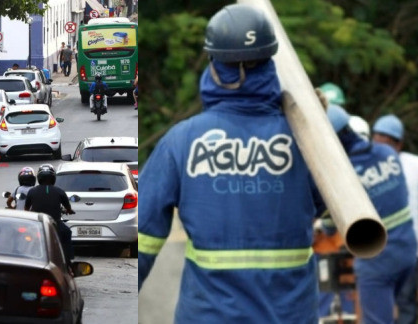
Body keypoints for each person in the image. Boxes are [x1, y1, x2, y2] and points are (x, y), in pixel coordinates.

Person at [138, 5, 326, 322]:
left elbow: (141, 234)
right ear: (271, 63)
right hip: (290, 315)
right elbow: (318, 204)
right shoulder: (306, 139)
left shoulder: (181, 141)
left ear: (214, 64)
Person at [326, 105, 416, 324]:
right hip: (408, 252)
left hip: (377, 260)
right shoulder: (387, 154)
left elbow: (330, 226)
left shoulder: (344, 175)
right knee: (406, 316)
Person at [372, 114, 418, 324]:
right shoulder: (370, 168)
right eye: (376, 138)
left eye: (386, 140)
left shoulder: (413, 166)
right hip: (381, 251)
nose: (379, 144)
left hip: (410, 248)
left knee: (405, 302)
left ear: (398, 144)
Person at [25, 164, 75, 265]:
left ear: (39, 177)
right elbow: (68, 208)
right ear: (53, 178)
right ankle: (68, 261)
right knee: (67, 232)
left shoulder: (32, 191)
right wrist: (69, 211)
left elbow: (26, 209)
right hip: (55, 223)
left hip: (37, 224)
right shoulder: (59, 191)